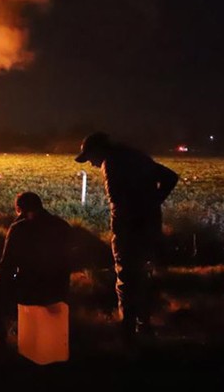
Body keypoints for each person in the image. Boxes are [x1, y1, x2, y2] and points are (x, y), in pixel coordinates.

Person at [74, 132, 178, 338]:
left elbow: (118, 203)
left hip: (129, 231)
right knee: (143, 275)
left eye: (90, 158)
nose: (92, 164)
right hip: (150, 226)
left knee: (126, 277)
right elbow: (170, 177)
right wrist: (154, 202)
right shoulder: (135, 156)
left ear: (98, 151)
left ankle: (127, 328)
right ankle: (144, 325)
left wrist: (122, 228)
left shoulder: (111, 163)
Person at [0, 192, 73, 346]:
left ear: (19, 209)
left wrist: (14, 227)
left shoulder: (20, 228)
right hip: (58, 290)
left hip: (30, 292)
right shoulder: (63, 226)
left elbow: (5, 270)